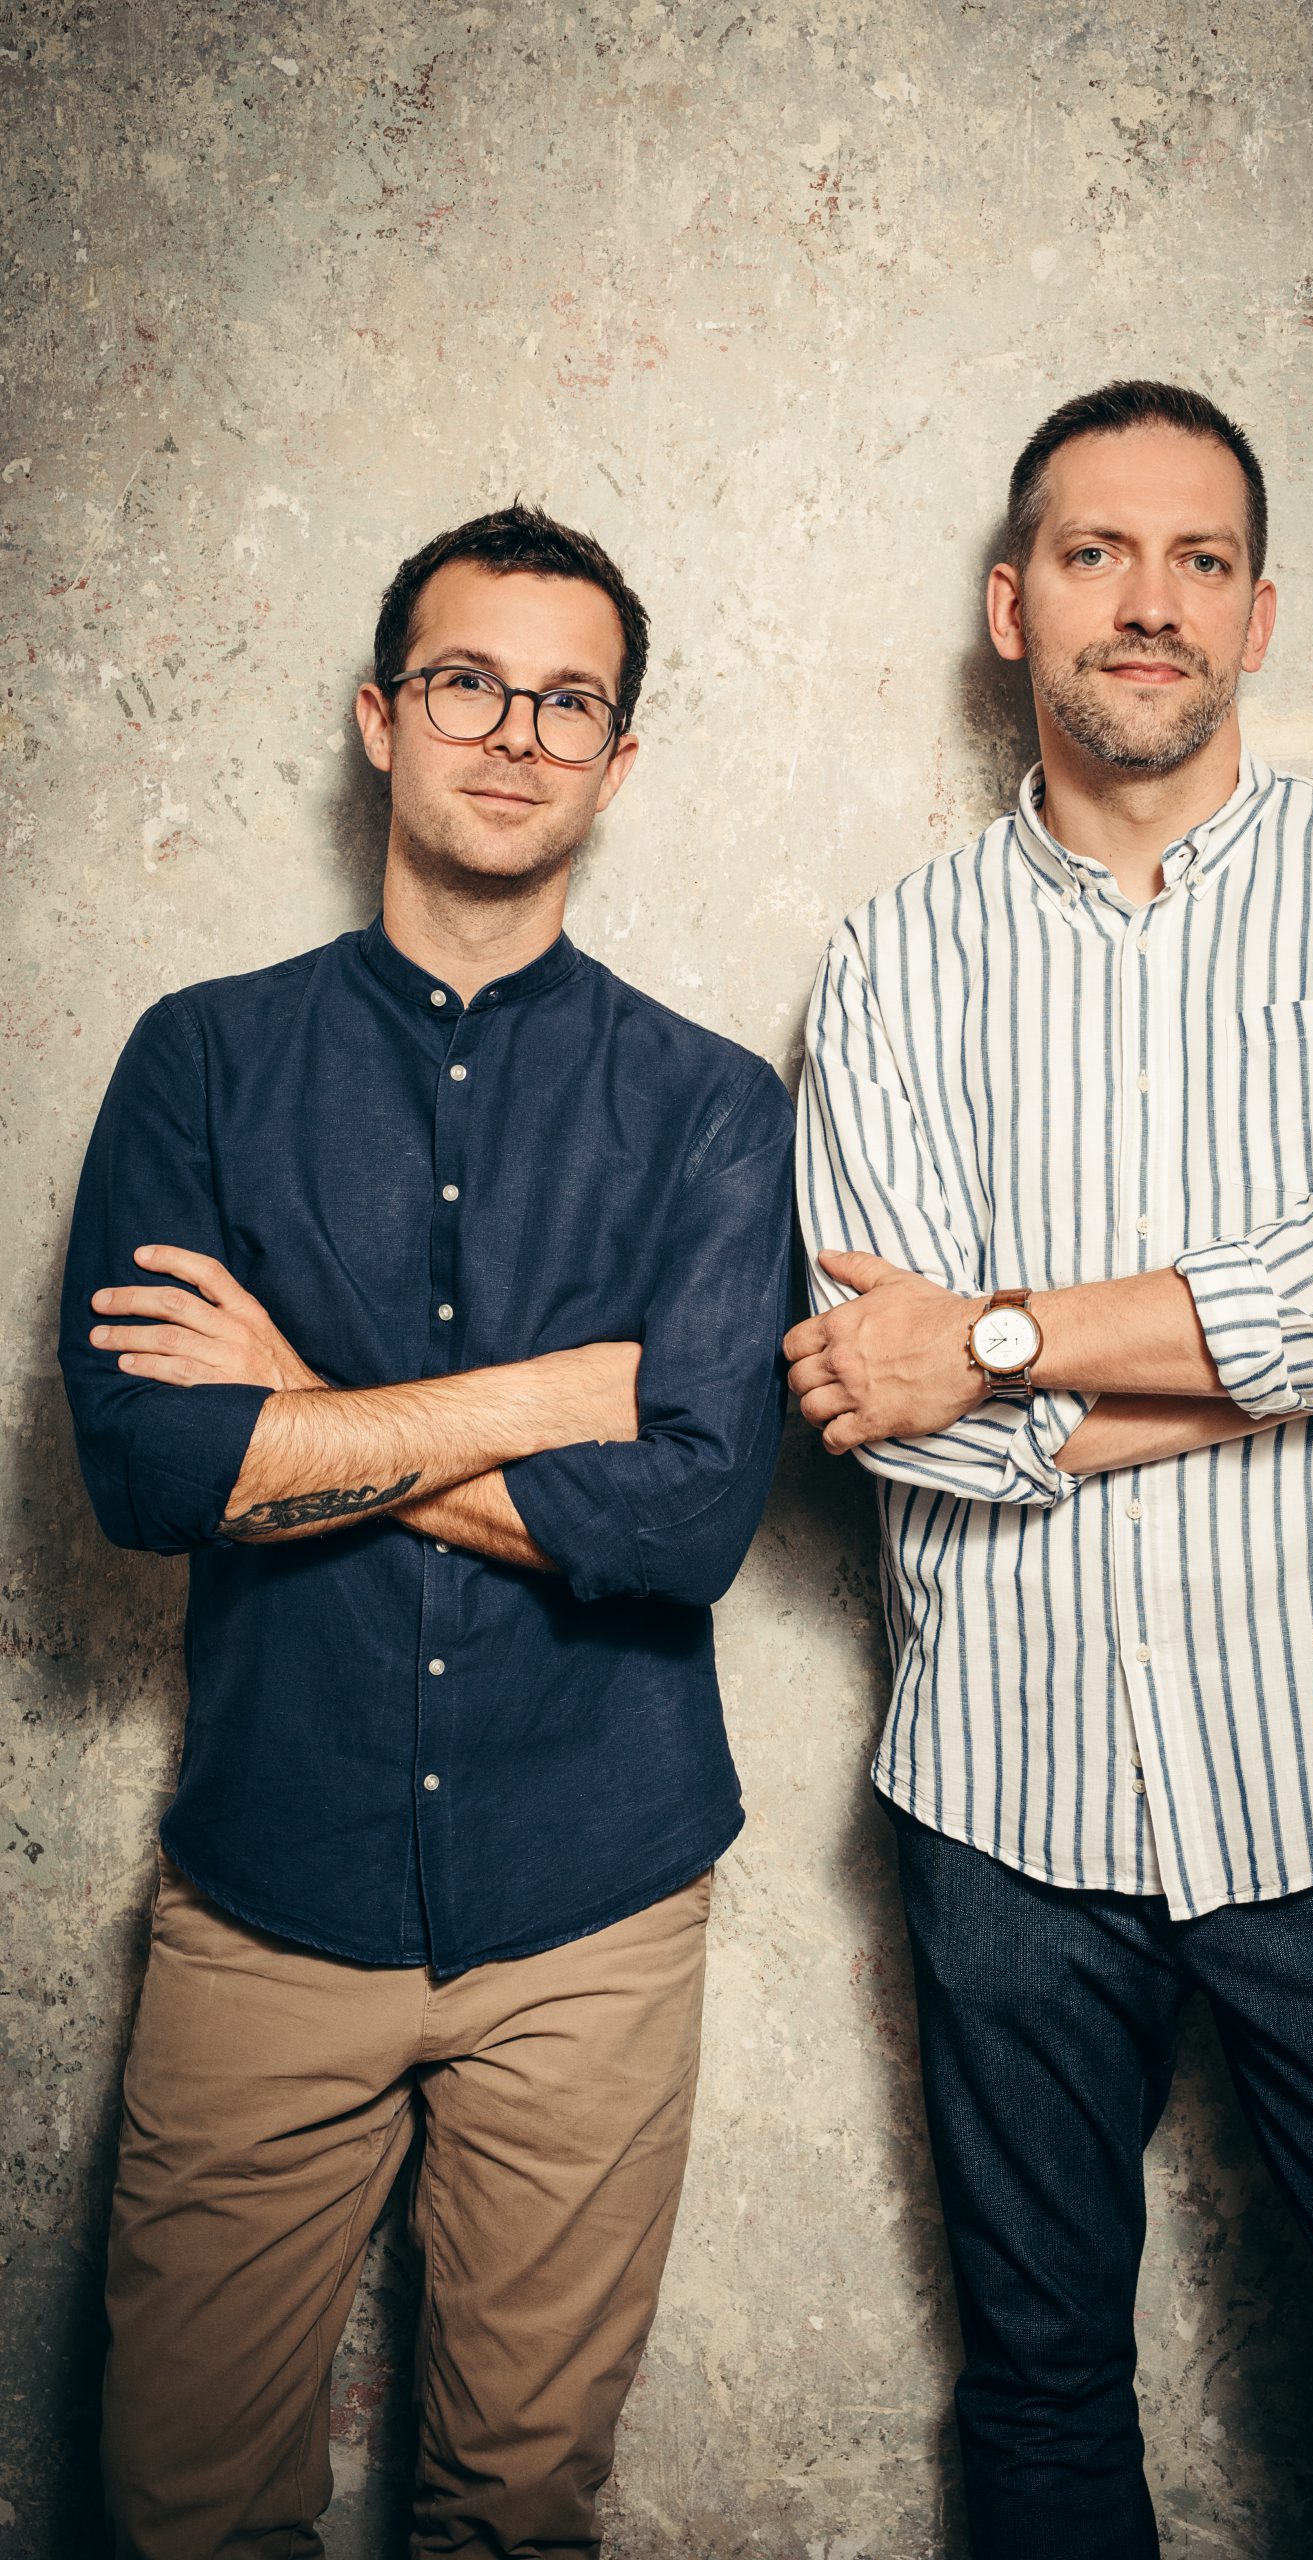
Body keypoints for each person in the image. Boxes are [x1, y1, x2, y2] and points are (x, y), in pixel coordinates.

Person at [789, 381, 1313, 2558]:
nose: (1148, 600)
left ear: (1256, 611)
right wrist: (1294, 1330)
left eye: (1198, 558)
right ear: (1009, 601)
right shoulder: (892, 959)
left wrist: (1001, 1329)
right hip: (1006, 1806)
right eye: (1096, 552)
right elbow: (892, 1412)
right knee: (1043, 2408)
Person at [59, 502, 794, 2559]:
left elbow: (687, 1518)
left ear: (618, 761)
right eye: (469, 681)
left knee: (520, 2514)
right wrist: (558, 1395)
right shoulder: (202, 1059)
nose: (514, 733)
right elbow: (150, 1472)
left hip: (593, 1912)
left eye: (568, 701)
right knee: (182, 2510)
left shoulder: (714, 1107)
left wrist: (295, 1404)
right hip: (268, 1898)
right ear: (380, 718)